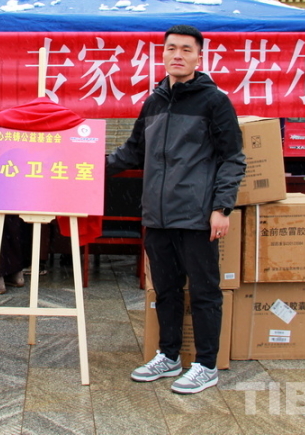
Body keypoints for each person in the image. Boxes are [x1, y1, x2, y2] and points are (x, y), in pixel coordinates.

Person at [107, 24, 245, 395]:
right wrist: (87, 168)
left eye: (186, 49)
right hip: (157, 215)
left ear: (199, 56)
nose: (178, 55)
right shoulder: (153, 102)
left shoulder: (214, 101)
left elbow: (232, 158)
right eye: (171, 48)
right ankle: (168, 356)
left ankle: (206, 365)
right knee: (165, 290)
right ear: (163, 53)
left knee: (204, 291)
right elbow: (132, 151)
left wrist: (222, 208)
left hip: (197, 215)